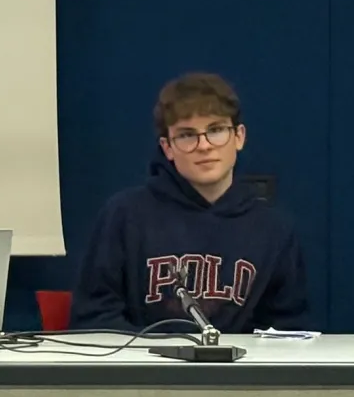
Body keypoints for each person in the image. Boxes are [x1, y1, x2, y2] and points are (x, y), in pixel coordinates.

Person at [69, 72, 310, 334]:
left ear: (239, 136)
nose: (204, 146)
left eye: (216, 130)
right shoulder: (124, 216)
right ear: (167, 148)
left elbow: (288, 330)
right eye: (186, 135)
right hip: (146, 360)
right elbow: (94, 318)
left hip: (239, 361)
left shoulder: (273, 229)